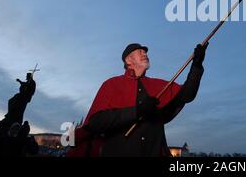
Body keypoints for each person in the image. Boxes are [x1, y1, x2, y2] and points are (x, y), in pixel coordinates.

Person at [67, 42, 208, 157]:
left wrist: (196, 65)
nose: (145, 53)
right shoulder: (111, 84)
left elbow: (186, 95)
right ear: (128, 60)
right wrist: (137, 111)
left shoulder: (158, 85)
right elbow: (96, 122)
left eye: (145, 52)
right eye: (140, 52)